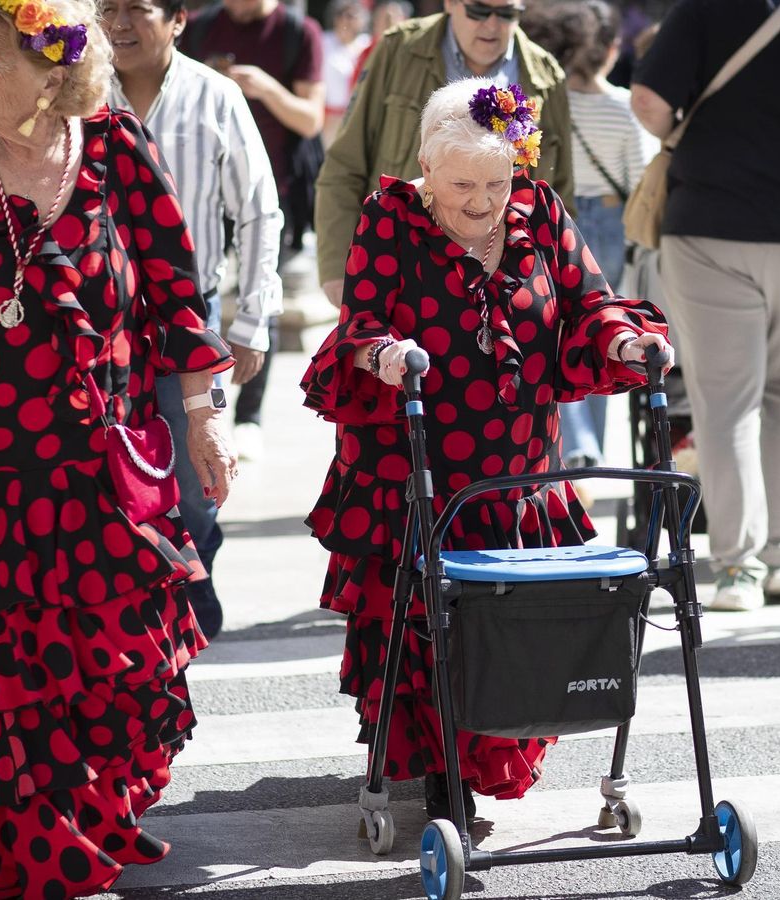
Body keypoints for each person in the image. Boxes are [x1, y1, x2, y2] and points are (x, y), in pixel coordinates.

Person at [0, 1, 238, 894]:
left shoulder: (117, 153)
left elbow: (176, 298)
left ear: (54, 77)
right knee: (3, 688)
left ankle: (90, 830)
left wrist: (203, 417)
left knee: (108, 676)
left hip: (102, 488)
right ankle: (31, 857)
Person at [301, 79, 672, 819]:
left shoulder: (541, 211)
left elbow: (590, 305)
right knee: (427, 633)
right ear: (426, 168)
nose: (483, 201)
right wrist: (383, 355)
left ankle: (484, 752)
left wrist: (624, 342)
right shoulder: (389, 218)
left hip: (516, 475)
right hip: (419, 471)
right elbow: (362, 323)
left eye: (497, 182)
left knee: (514, 634)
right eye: (463, 184)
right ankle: (445, 773)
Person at [631, 0, 780, 610]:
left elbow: (648, 102)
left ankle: (737, 569)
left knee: (725, 404)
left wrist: (692, 132)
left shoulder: (701, 10)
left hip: (710, 224)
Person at [103, 0, 285, 639]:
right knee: (108, 468)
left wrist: (252, 321)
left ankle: (196, 578)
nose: (119, 23)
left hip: (187, 319)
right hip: (99, 325)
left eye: (138, 8)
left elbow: (259, 211)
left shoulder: (216, 97)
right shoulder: (76, 92)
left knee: (195, 471)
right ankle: (136, 607)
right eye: (107, 8)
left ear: (178, 18)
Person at [315, 0, 575, 309]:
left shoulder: (546, 74)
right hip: (402, 272)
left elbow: (560, 192)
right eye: (478, 11)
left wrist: (560, 286)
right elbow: (345, 163)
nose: (492, 24)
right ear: (450, 3)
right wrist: (336, 268)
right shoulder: (399, 49)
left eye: (507, 14)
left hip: (508, 286)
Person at [179, 0, 325, 460]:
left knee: (262, 296)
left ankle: (249, 417)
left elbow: (311, 118)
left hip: (272, 191)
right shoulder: (198, 26)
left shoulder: (298, 33)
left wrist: (265, 89)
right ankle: (202, 406)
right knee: (194, 291)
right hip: (202, 188)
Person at [520, 0, 656, 475]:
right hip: (611, 221)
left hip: (557, 218)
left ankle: (567, 448)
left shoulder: (548, 104)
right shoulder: (624, 107)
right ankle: (587, 454)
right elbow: (639, 179)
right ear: (612, 50)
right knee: (601, 326)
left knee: (552, 330)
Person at [320, 0, 371, 146]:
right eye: (340, 14)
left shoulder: (367, 44)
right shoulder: (323, 41)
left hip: (357, 119)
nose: (345, 20)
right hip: (327, 119)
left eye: (351, 16)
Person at [349, 0, 414, 88]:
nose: (385, 24)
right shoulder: (367, 53)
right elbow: (356, 87)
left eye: (389, 19)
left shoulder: (412, 51)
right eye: (380, 19)